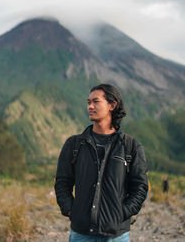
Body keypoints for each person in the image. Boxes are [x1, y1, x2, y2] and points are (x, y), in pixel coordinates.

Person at [55, 84, 148, 242]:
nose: (90, 106)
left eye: (96, 101)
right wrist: (71, 210)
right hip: (81, 233)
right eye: (88, 102)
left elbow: (140, 187)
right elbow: (62, 182)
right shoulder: (74, 145)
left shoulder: (130, 146)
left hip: (116, 235)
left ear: (112, 105)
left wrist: (123, 212)